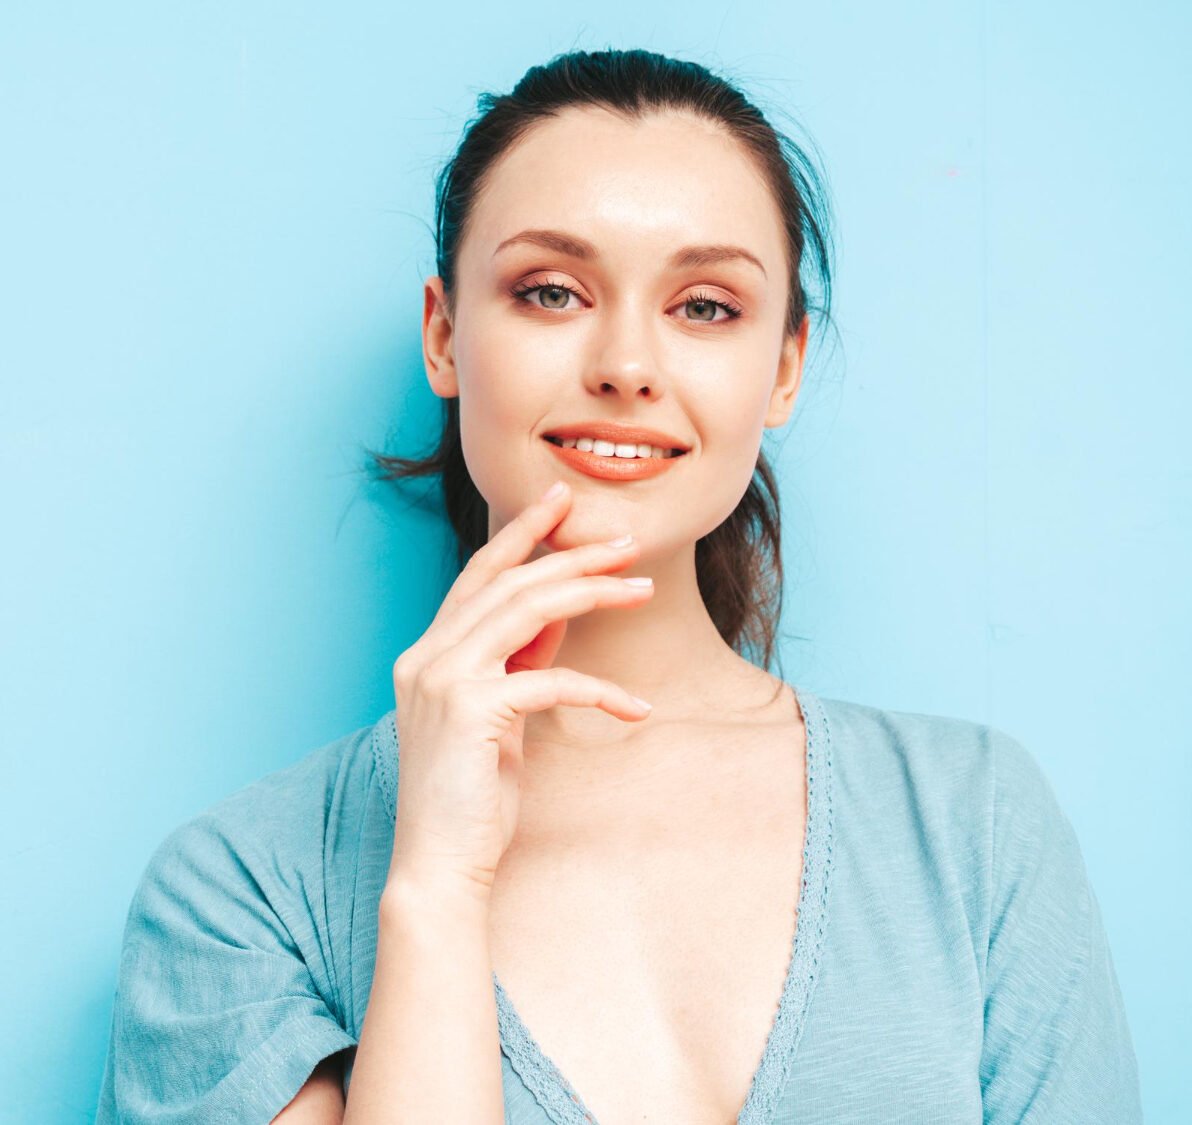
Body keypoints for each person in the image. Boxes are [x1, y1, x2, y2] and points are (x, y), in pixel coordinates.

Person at [95, 47, 1142, 1124]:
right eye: (550, 291)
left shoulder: (971, 824)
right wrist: (435, 890)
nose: (627, 364)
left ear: (783, 367)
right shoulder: (238, 896)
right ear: (444, 335)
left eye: (704, 307)